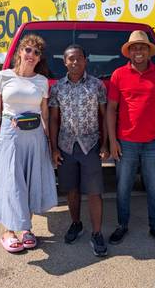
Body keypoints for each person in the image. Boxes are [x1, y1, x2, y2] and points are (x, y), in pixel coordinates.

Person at [0, 34, 58, 253]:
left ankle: (25, 229)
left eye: (36, 52)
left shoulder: (41, 82)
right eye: (28, 50)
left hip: (35, 138)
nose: (31, 55)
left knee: (30, 181)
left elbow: (45, 114)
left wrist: (49, 141)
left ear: (40, 58)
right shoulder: (3, 76)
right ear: (20, 52)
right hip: (10, 137)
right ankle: (9, 231)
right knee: (11, 183)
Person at [107, 30, 155, 248]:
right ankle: (122, 226)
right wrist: (112, 141)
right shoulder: (118, 75)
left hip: (153, 143)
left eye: (142, 47)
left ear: (148, 51)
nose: (138, 51)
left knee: (154, 188)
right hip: (125, 143)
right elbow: (111, 111)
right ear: (129, 52)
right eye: (134, 47)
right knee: (123, 188)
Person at [49, 44, 109, 257]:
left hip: (90, 145)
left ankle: (97, 233)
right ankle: (76, 224)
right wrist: (54, 148)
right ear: (64, 62)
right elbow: (54, 119)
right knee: (71, 190)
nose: (75, 62)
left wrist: (106, 143)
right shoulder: (57, 88)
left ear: (85, 60)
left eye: (79, 58)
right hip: (66, 146)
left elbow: (106, 116)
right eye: (70, 59)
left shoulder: (97, 86)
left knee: (94, 191)